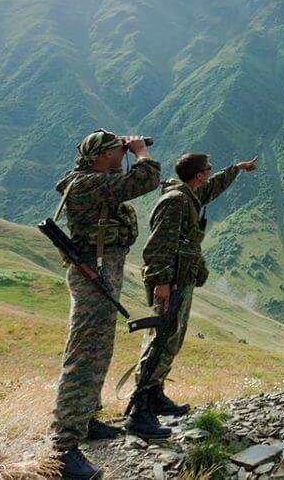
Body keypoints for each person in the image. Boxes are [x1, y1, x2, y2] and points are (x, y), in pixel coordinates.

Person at [50, 129, 161, 480]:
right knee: (84, 357)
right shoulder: (86, 185)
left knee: (100, 350)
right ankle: (62, 448)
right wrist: (140, 152)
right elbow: (145, 179)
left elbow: (122, 183)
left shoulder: (96, 179)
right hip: (92, 278)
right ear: (100, 156)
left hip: (102, 275)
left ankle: (85, 421)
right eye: (116, 149)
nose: (123, 151)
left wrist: (123, 152)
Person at [124, 152, 257, 438]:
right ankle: (140, 412)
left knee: (171, 338)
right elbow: (158, 244)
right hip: (169, 283)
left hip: (180, 280)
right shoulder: (176, 201)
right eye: (208, 168)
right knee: (160, 340)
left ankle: (155, 394)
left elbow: (213, 188)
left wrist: (236, 167)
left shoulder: (190, 195)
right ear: (198, 175)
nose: (210, 172)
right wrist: (161, 283)